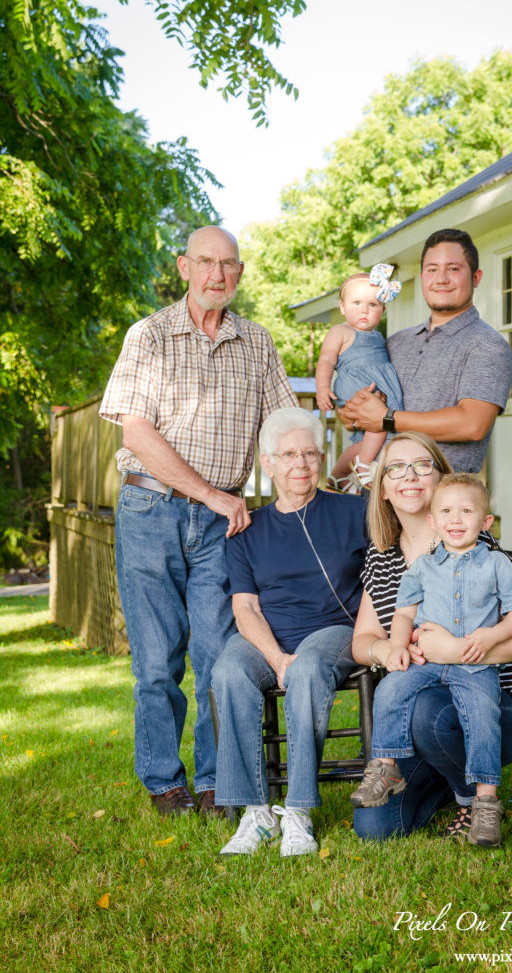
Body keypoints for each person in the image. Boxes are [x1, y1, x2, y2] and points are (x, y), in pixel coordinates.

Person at [99, 226, 298, 818]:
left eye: (229, 264)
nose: (217, 274)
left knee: (218, 655)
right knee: (157, 663)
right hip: (150, 511)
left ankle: (215, 782)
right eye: (206, 262)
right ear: (184, 267)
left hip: (224, 526)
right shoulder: (150, 336)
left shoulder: (257, 343)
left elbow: (286, 426)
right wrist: (211, 493)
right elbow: (136, 430)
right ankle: (164, 783)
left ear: (240, 272)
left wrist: (341, 464)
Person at [350, 431, 512, 843]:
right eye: (396, 468)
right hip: (423, 694)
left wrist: (457, 651)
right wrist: (388, 647)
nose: (410, 476)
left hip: (494, 701)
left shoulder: (473, 543)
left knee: (429, 714)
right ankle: (434, 777)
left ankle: (477, 803)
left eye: (423, 465)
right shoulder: (382, 556)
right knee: (374, 828)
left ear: (440, 477)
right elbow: (363, 638)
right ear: (382, 487)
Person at [212, 407, 367, 856]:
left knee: (309, 667)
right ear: (268, 463)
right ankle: (255, 813)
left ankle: (297, 812)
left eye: (310, 454)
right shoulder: (247, 531)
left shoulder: (352, 511)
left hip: (334, 629)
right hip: (267, 635)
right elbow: (245, 608)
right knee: (228, 671)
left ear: (321, 458)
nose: (301, 463)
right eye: (289, 455)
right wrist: (276, 657)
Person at [338, 229, 512, 475]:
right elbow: (361, 409)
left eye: (453, 269)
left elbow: (473, 424)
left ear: (476, 277)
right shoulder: (396, 342)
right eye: (432, 269)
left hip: (439, 501)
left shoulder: (486, 344)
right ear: (422, 277)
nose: (441, 278)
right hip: (375, 496)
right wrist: (352, 412)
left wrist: (388, 419)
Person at [316, 266, 403, 492]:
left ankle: (337, 475)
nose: (364, 310)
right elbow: (326, 360)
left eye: (372, 305)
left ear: (382, 310)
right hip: (357, 385)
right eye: (357, 303)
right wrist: (322, 388)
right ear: (343, 307)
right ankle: (363, 465)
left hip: (375, 386)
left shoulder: (377, 336)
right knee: (381, 423)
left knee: (372, 441)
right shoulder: (340, 331)